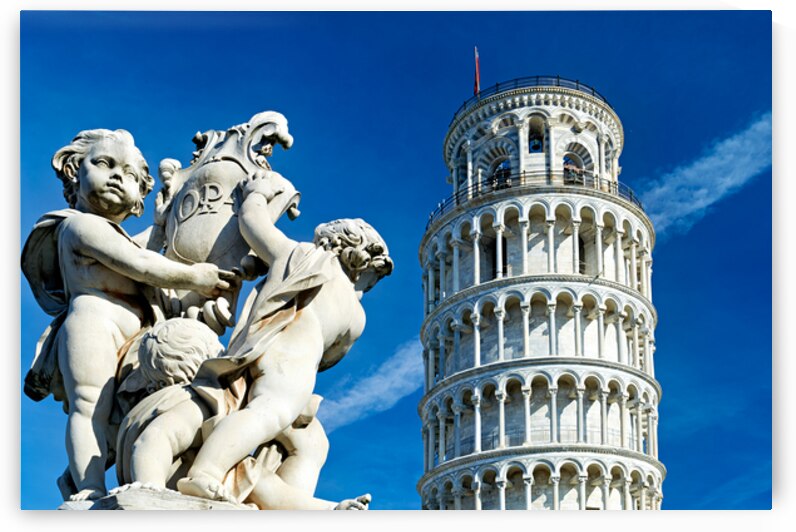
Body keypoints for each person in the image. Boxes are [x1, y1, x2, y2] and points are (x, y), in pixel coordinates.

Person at [21, 129, 234, 501]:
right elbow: (140, 264)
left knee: (123, 416)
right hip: (93, 322)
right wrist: (197, 277)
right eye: (105, 164)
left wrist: (164, 221)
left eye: (132, 175)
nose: (119, 176)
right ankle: (87, 488)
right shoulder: (79, 225)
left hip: (138, 331)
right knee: (90, 408)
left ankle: (81, 476)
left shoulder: (116, 235)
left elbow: (145, 249)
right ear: (74, 171)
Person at [176, 170, 393, 502]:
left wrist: (258, 195)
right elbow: (332, 356)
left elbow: (254, 224)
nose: (369, 286)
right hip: (295, 363)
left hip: (271, 348)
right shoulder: (353, 310)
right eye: (372, 278)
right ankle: (205, 472)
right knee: (270, 412)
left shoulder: (300, 256)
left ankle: (290, 505)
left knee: (312, 441)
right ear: (361, 262)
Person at [116, 318, 370, 510]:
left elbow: (271, 491)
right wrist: (150, 487)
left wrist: (328, 509)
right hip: (177, 493)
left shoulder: (218, 425)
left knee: (262, 470)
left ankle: (325, 510)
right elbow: (156, 438)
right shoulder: (194, 402)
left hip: (210, 488)